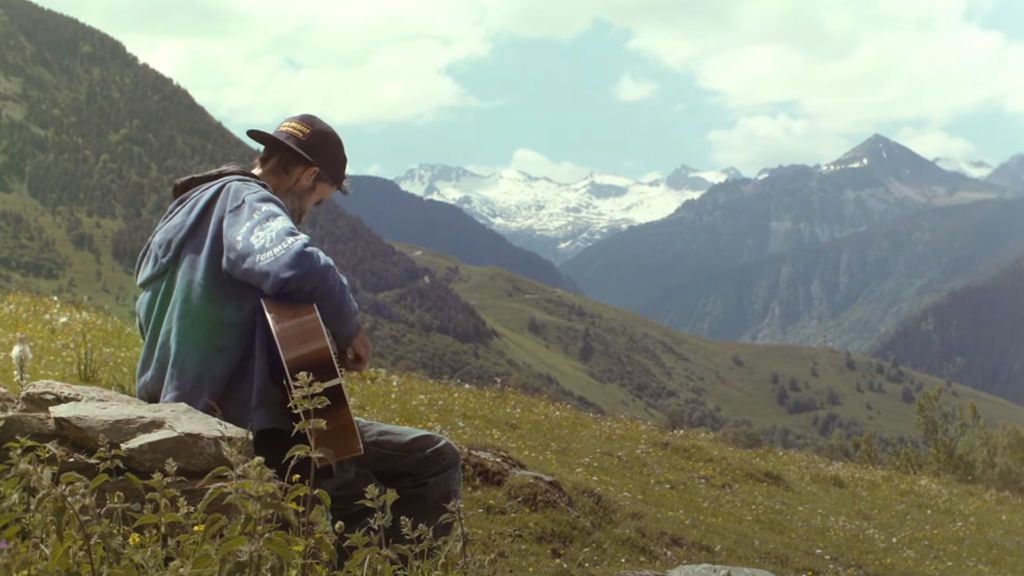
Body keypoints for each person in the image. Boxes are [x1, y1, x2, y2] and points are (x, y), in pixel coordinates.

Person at [133, 113, 461, 542]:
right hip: (250, 427)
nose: (308, 214)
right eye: (318, 200)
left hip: (171, 406)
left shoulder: (185, 210)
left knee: (358, 480)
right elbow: (295, 263)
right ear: (308, 175)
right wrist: (350, 330)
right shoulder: (246, 200)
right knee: (433, 458)